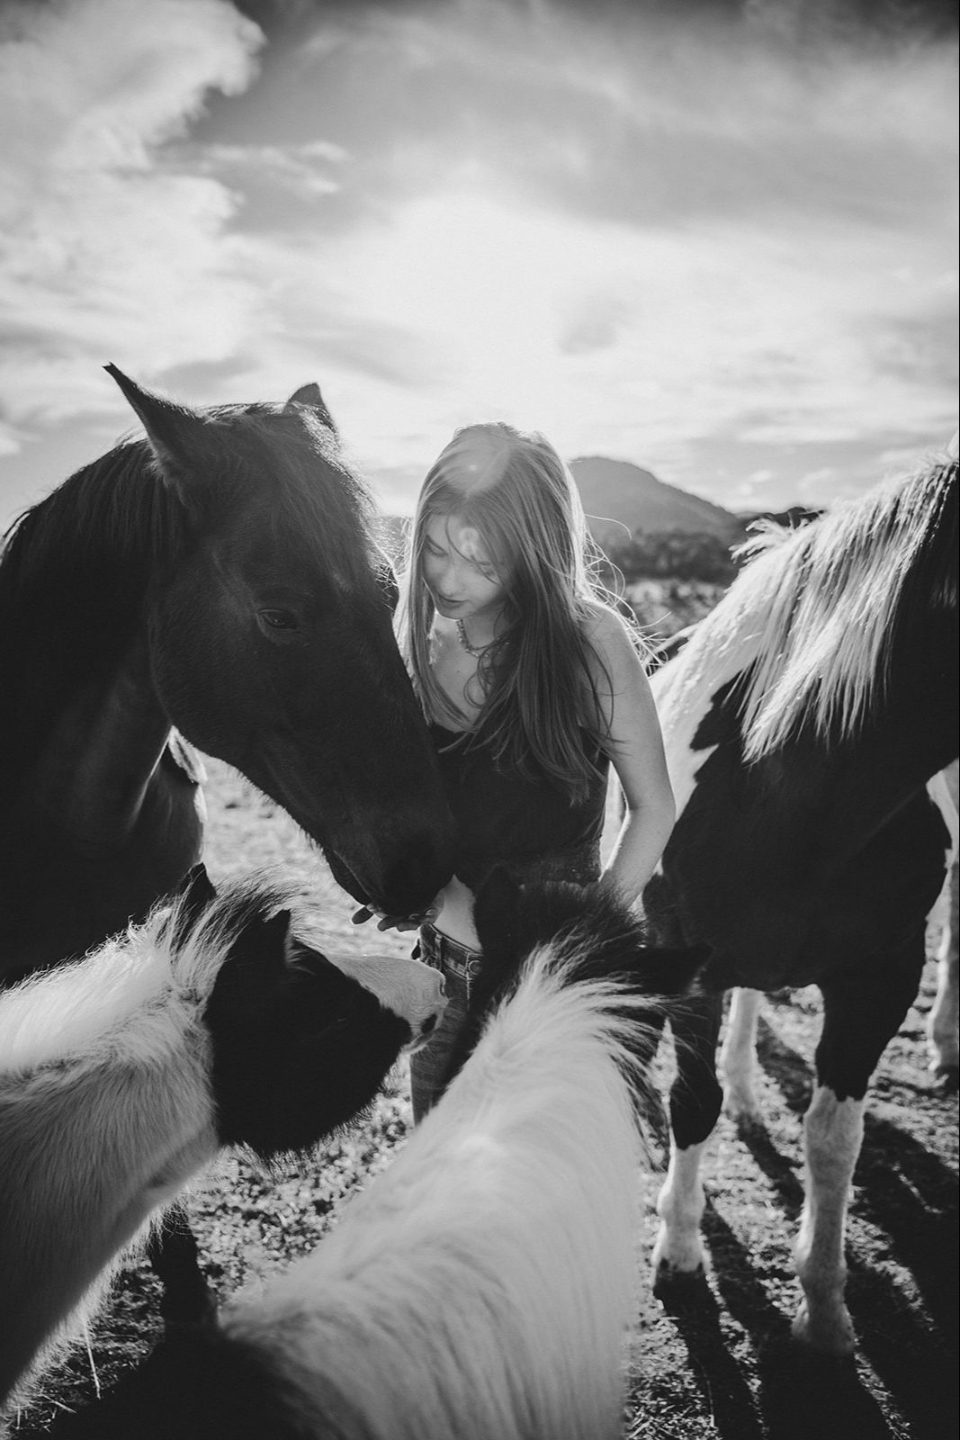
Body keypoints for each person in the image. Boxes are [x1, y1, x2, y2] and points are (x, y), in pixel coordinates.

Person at [354, 422, 675, 1118]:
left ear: (533, 556)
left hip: (546, 981)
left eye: (481, 563)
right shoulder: (413, 636)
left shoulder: (588, 643)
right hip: (440, 975)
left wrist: (587, 940)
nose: (448, 579)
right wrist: (407, 885)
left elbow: (653, 808)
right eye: (436, 548)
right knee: (437, 1156)